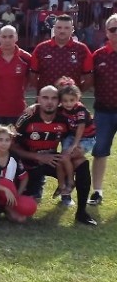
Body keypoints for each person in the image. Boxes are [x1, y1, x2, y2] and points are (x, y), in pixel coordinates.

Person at [12, 85, 96, 226]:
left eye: (54, 98)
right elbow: (12, 147)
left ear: (59, 101)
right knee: (24, 207)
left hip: (52, 159)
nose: (49, 102)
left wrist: (78, 148)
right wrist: (37, 157)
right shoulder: (27, 117)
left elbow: (81, 118)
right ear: (38, 99)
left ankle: (81, 212)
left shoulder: (65, 117)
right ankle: (27, 192)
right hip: (28, 163)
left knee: (81, 162)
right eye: (45, 98)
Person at [88, 13, 117, 205]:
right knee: (99, 151)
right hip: (104, 111)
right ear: (106, 32)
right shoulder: (98, 56)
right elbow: (89, 82)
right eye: (113, 29)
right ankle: (97, 191)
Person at [29, 14, 93, 92]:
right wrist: (44, 92)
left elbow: (89, 79)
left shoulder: (82, 49)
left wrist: (75, 93)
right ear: (54, 28)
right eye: (59, 27)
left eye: (66, 28)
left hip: (70, 99)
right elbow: (32, 77)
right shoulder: (41, 48)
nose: (62, 31)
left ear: (72, 29)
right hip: (47, 98)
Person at [55, 83, 96, 201]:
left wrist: (74, 145)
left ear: (78, 98)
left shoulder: (80, 110)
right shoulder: (62, 109)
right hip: (72, 136)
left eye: (71, 100)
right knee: (61, 159)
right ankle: (62, 185)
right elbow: (47, 107)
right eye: (65, 101)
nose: (68, 103)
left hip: (86, 138)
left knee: (67, 157)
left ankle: (70, 182)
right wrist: (33, 106)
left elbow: (81, 127)